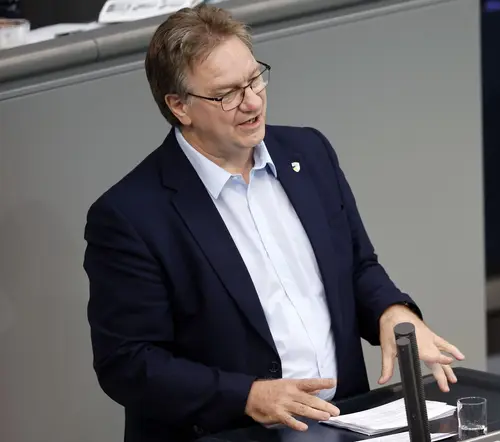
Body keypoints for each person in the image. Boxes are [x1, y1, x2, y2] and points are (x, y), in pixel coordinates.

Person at [83, 4, 464, 442]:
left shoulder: (309, 152)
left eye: (254, 78)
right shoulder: (131, 215)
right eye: (227, 93)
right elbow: (129, 363)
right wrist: (247, 395)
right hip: (228, 433)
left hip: (344, 425)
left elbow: (357, 266)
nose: (252, 101)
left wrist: (391, 310)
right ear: (179, 106)